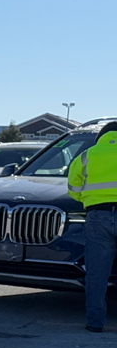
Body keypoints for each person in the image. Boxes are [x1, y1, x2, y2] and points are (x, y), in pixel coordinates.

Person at [67, 122, 117, 332]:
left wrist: (89, 199)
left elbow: (73, 188)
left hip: (98, 216)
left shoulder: (87, 155)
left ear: (102, 137)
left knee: (97, 274)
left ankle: (95, 323)